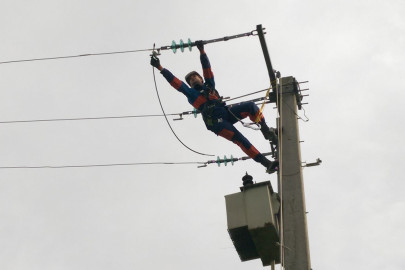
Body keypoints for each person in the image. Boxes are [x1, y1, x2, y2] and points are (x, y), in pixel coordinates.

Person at [150, 41, 278, 173]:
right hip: (215, 123)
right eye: (190, 80)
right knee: (240, 139)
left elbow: (207, 70)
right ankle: (266, 163)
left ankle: (265, 130)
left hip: (225, 112)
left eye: (195, 77)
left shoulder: (209, 85)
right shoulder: (191, 93)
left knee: (251, 106)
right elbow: (176, 82)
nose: (193, 79)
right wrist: (160, 67)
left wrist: (202, 51)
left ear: (201, 79)